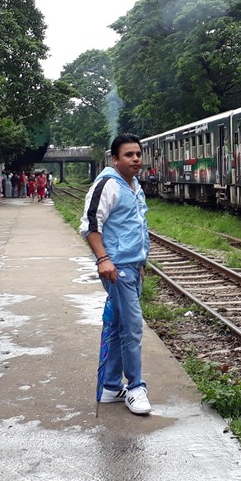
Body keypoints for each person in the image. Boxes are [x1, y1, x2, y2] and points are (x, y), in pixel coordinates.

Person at [79, 134, 152, 416]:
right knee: (132, 328)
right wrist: (104, 259)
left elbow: (137, 227)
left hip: (132, 266)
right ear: (115, 159)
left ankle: (111, 387)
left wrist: (141, 263)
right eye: (129, 155)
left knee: (121, 325)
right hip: (116, 268)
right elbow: (90, 225)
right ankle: (135, 387)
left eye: (138, 154)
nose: (136, 159)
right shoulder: (108, 184)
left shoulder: (135, 186)